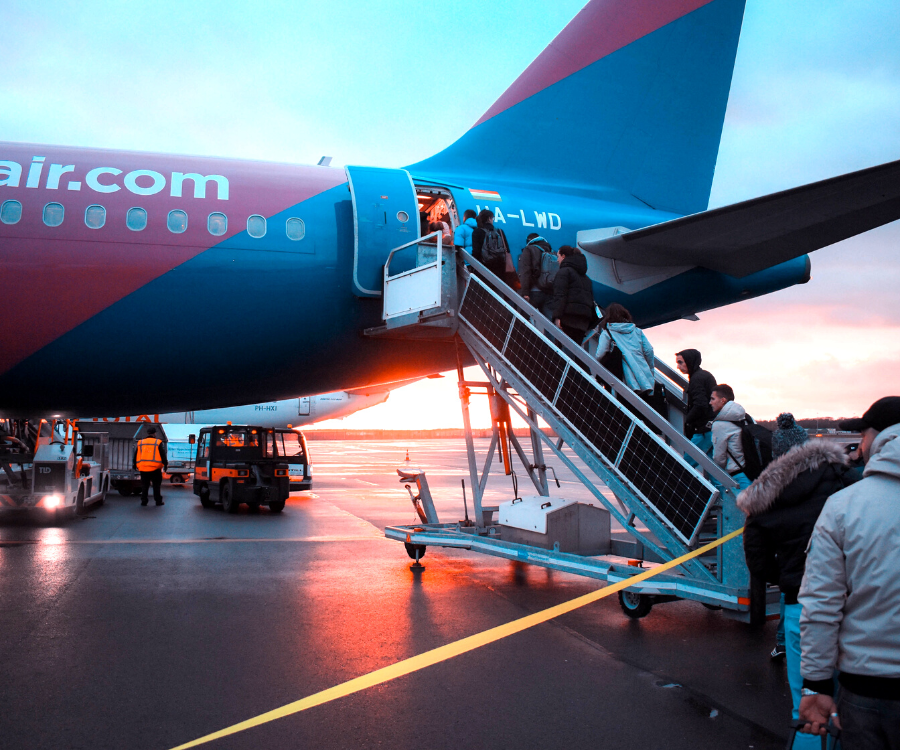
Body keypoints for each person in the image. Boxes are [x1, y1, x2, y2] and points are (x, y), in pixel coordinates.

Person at [738, 435, 855, 748]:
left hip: (799, 606)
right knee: (851, 709)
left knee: (809, 709)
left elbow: (758, 563)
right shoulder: (846, 483)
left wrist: (790, 578)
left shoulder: (764, 499)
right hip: (851, 606)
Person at [798, 396, 900, 747]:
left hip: (868, 689)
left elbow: (822, 605)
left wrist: (817, 685)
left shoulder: (844, 507)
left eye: (864, 434)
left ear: (880, 437)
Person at [769, 411, 811, 662]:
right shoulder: (820, 474)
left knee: (790, 594)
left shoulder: (777, 481)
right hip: (816, 547)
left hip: (790, 549)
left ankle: (784, 642)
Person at [595, 303, 655, 397]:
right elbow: (649, 351)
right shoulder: (637, 331)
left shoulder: (607, 332)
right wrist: (650, 369)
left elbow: (600, 354)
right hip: (642, 375)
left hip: (621, 375)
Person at [675, 349, 716, 465]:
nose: (678, 366)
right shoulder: (703, 375)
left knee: (685, 467)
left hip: (704, 430)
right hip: (711, 428)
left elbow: (701, 404)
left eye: (680, 362)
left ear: (690, 361)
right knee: (715, 469)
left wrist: (688, 419)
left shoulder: (697, 379)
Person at [709, 384, 752, 491]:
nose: (710, 402)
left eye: (713, 399)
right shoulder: (744, 417)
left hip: (737, 475)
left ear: (723, 400)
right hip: (752, 472)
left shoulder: (719, 425)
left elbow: (719, 458)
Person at [517, 233, 554, 317]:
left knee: (524, 320)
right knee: (549, 324)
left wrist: (525, 292)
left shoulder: (529, 249)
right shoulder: (550, 251)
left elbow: (525, 272)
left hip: (534, 292)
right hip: (549, 292)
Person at [133, 426, 167, 506]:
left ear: (148, 433)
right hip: (155, 468)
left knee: (145, 486)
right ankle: (158, 501)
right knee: (156, 486)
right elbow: (163, 455)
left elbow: (136, 454)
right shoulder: (158, 442)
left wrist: (134, 464)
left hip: (143, 468)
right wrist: (165, 464)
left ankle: (144, 501)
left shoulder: (140, 442)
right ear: (154, 433)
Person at [471, 209, 506, 279]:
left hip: (484, 268)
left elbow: (476, 251)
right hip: (500, 267)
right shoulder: (499, 231)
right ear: (489, 219)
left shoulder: (477, 232)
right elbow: (506, 250)